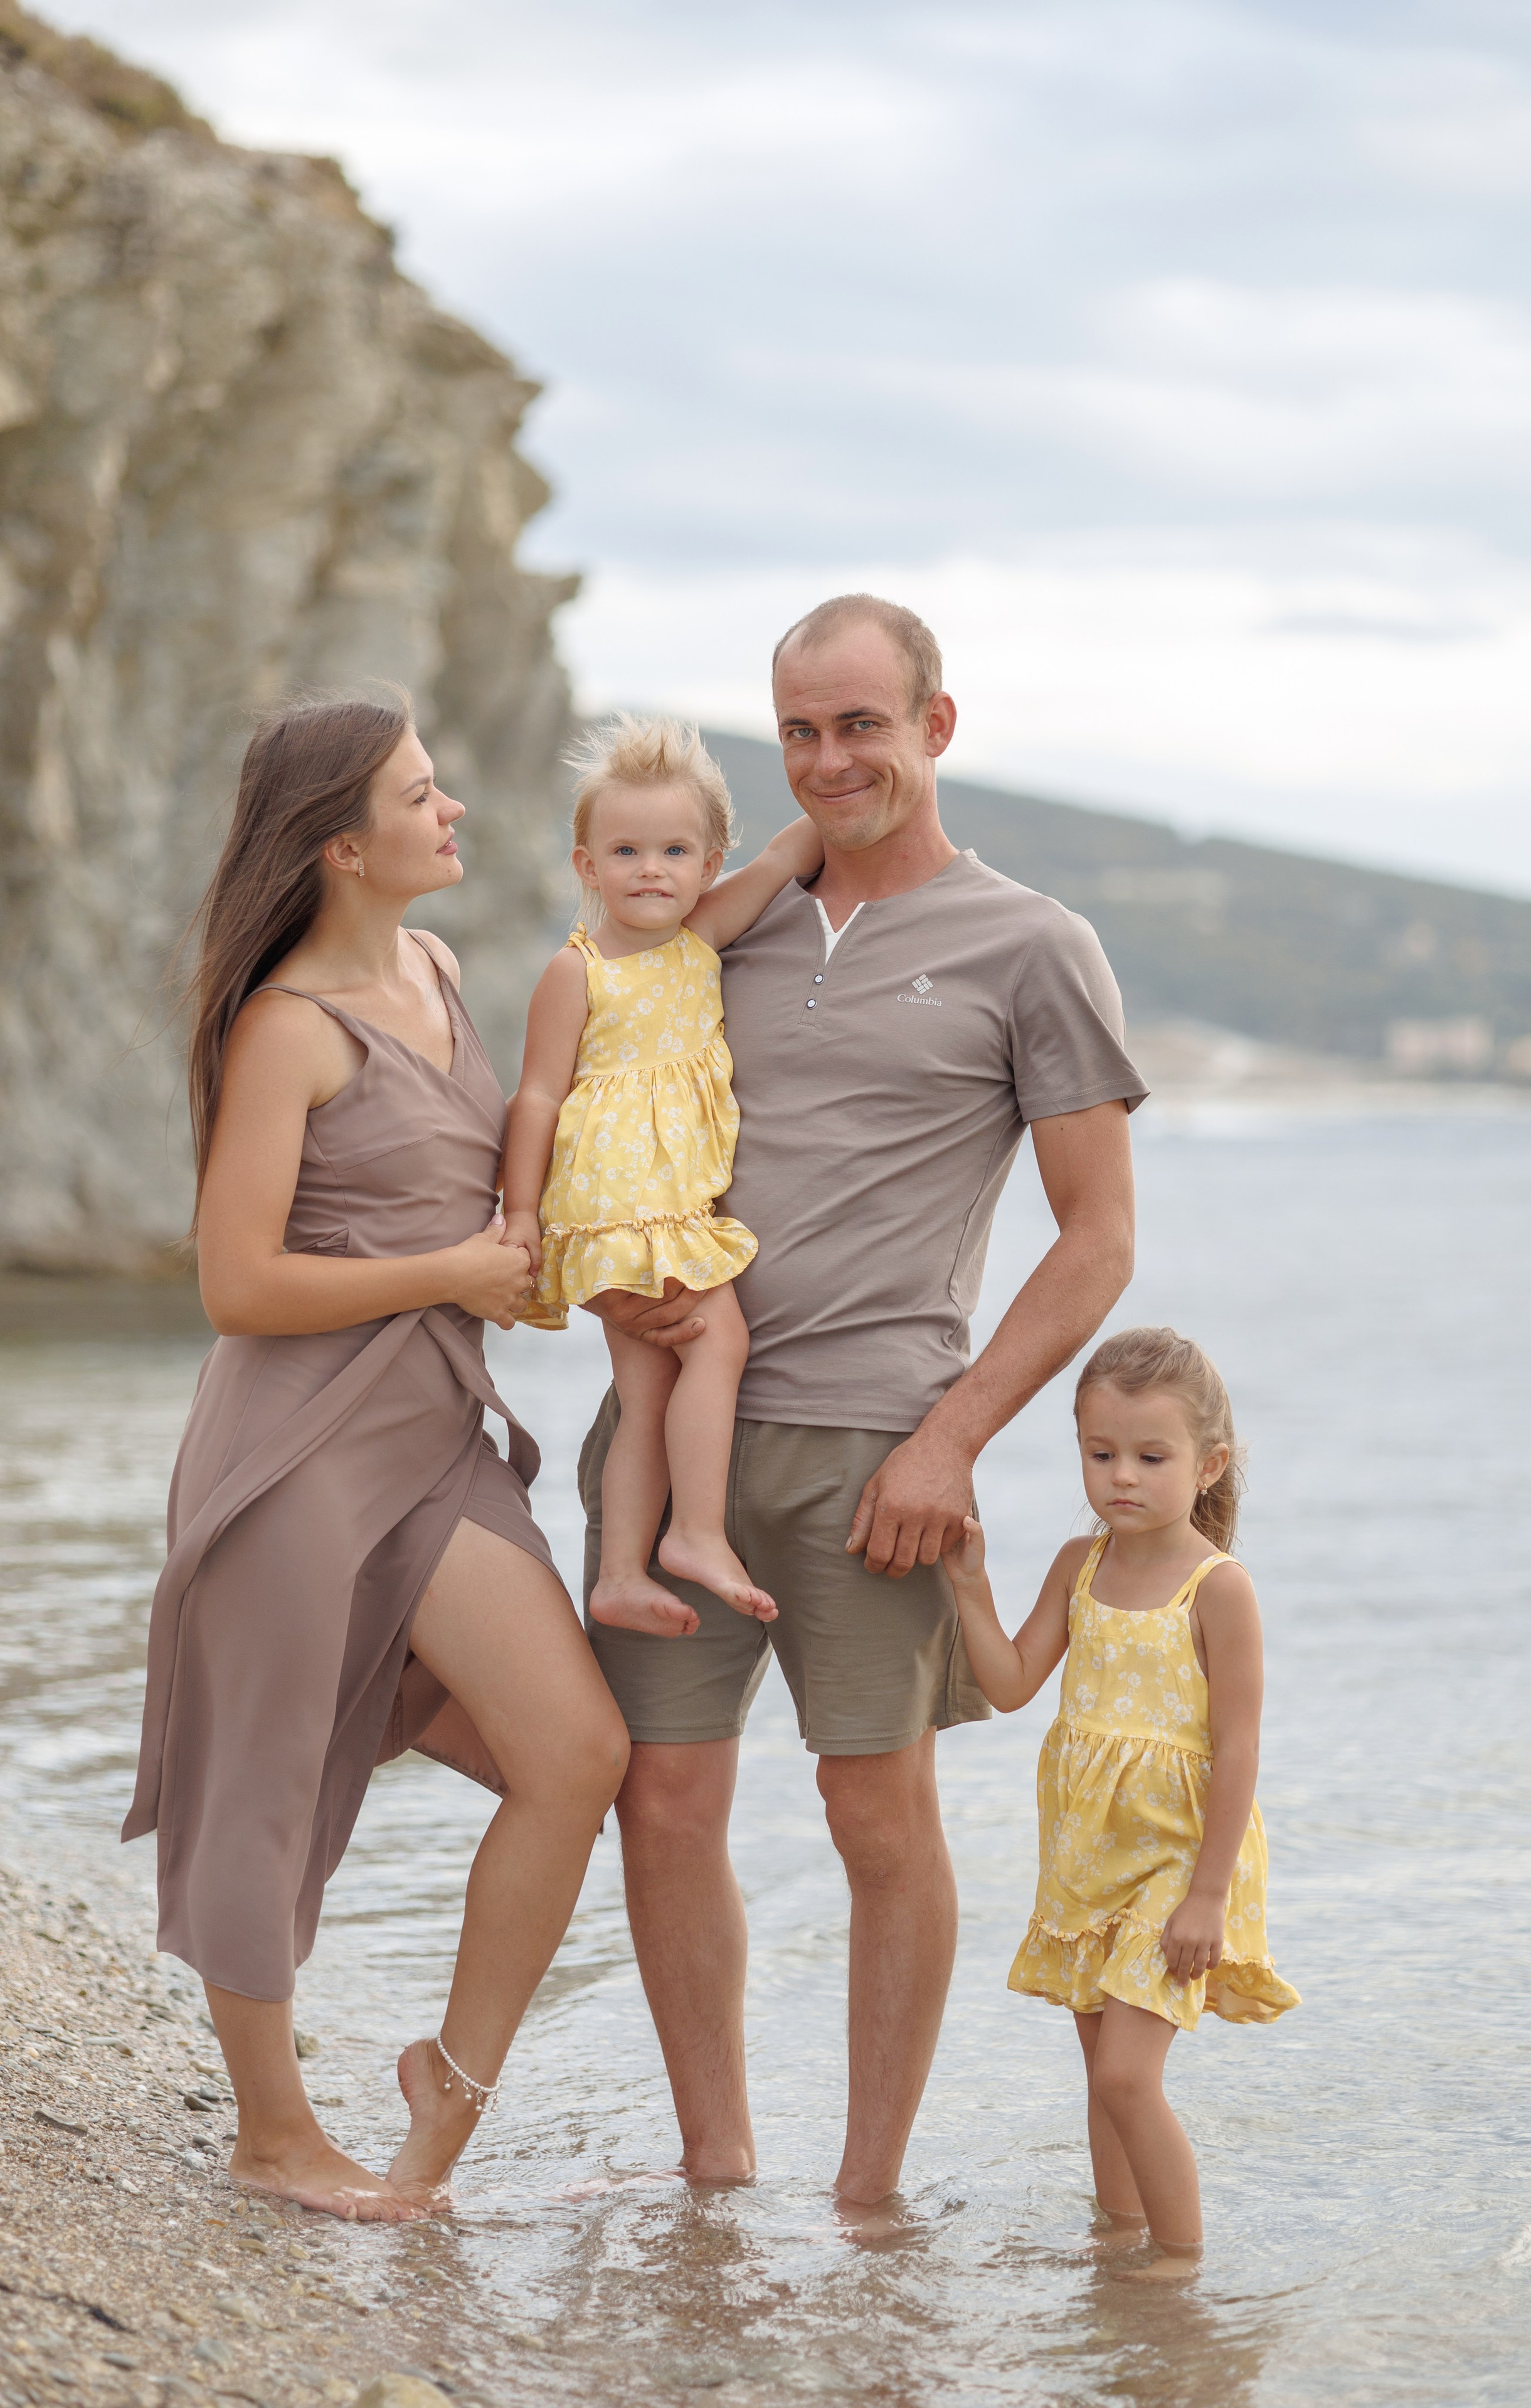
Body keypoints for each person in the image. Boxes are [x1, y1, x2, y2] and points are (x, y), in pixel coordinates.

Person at [577, 594, 1148, 2208]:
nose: (830, 761)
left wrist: (951, 1441)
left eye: (860, 726)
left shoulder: (1031, 945)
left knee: (874, 1818)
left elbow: (1098, 1238)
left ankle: (867, 2200)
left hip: (875, 1450)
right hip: (669, 1440)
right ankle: (714, 2173)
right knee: (662, 1800)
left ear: (934, 727)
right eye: (800, 732)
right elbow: (600, 1103)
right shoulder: (720, 925)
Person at [124, 692, 629, 2221]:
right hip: (295, 1452)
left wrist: (536, 1267)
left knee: (578, 1755)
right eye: (419, 795)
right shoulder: (285, 1028)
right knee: (260, 1782)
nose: (451, 809)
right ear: (341, 846)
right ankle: (273, 2137)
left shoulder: (442, 969)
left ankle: (444, 2091)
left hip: (435, 1440)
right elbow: (236, 1285)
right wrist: (450, 1274)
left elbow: (471, 1205)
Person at [944, 1326, 1300, 2278]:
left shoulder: (1218, 1589)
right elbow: (1012, 1684)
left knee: (1128, 2077)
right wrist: (971, 1589)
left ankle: (1180, 2264)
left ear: (1208, 1464)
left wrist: (1209, 1896)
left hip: (1182, 1864)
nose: (1123, 1478)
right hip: (1089, 1857)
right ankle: (1119, 2244)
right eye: (1101, 1455)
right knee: (1101, 2075)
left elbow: (1239, 1748)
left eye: (1151, 1457)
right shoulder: (1080, 1565)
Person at [502, 717, 823, 1631]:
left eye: (676, 851)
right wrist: (519, 1216)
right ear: (587, 865)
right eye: (627, 851)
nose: (652, 870)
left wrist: (862, 798)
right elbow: (536, 1097)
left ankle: (619, 1576)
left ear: (709, 864)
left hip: (657, 1214)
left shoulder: (700, 938)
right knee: (719, 1344)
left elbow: (783, 859)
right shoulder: (578, 972)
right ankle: (696, 1533)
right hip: (624, 1213)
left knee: (646, 1397)